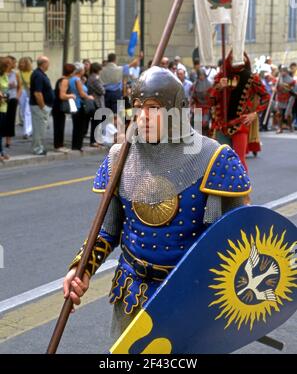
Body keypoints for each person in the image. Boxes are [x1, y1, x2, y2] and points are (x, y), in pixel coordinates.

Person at [63, 66, 251, 344]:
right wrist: (81, 269)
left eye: (153, 107)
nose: (142, 116)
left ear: (177, 111)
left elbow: (234, 241)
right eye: (137, 106)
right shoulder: (120, 156)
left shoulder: (214, 158)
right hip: (131, 292)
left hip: (189, 297)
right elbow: (107, 230)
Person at [209, 51, 270, 173]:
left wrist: (255, 113)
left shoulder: (252, 78)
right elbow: (210, 101)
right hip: (221, 125)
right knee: (222, 160)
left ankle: (242, 191)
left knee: (239, 161)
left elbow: (266, 97)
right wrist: (219, 88)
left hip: (240, 125)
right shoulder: (220, 77)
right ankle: (224, 191)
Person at [29, 56, 54, 156]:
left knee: (41, 128)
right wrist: (43, 107)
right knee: (39, 128)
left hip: (41, 106)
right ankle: (37, 148)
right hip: (39, 107)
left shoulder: (40, 74)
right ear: (43, 64)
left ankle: (39, 147)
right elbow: (37, 93)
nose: (49, 65)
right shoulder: (38, 75)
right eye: (48, 63)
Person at [68, 63, 94, 151]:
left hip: (74, 103)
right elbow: (81, 93)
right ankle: (78, 145)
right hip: (79, 104)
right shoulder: (77, 80)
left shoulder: (72, 79)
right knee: (80, 126)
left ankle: (75, 145)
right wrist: (89, 97)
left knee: (76, 126)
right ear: (80, 70)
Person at [52, 63, 76, 151]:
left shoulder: (60, 79)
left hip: (57, 105)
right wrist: (71, 96)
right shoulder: (65, 81)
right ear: (71, 73)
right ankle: (59, 145)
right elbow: (62, 95)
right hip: (60, 106)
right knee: (59, 125)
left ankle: (58, 144)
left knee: (58, 125)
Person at [4, 56, 22, 149]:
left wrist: (17, 97)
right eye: (13, 63)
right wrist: (7, 86)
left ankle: (8, 142)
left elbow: (20, 87)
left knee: (10, 120)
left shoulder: (16, 74)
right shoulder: (2, 74)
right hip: (3, 99)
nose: (15, 65)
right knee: (2, 119)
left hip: (12, 99)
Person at [87, 62, 105, 147]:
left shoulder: (91, 77)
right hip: (97, 102)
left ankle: (95, 140)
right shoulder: (95, 79)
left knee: (96, 122)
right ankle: (94, 141)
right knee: (97, 122)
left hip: (95, 102)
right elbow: (102, 91)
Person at [18, 57, 33, 139]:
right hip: (22, 93)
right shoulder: (19, 73)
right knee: (23, 111)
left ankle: (27, 132)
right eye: (20, 62)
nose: (20, 64)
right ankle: (29, 129)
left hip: (30, 92)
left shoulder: (32, 73)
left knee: (28, 112)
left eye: (23, 62)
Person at [0, 57, 10, 161]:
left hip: (4, 107)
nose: (9, 66)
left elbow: (6, 91)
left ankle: (1, 152)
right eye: (7, 65)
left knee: (1, 132)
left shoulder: (5, 76)